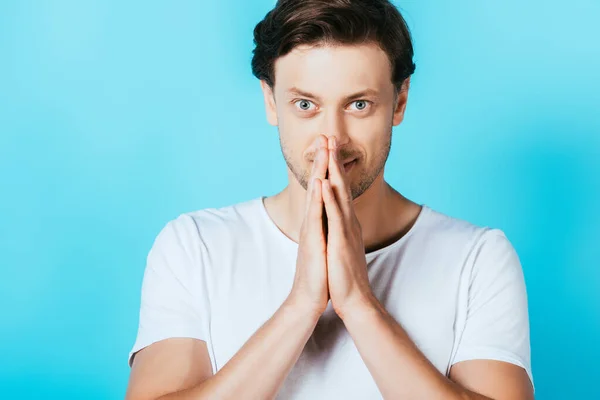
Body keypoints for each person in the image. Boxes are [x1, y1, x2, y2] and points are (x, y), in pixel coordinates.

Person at [125, 1, 534, 399]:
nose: (332, 139)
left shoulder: (479, 258)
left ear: (400, 101)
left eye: (359, 104)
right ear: (271, 100)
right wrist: (300, 306)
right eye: (305, 105)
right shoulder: (193, 246)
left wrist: (359, 303)